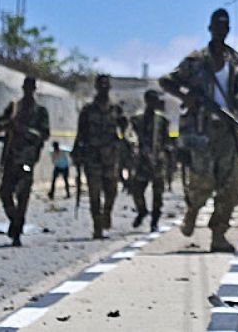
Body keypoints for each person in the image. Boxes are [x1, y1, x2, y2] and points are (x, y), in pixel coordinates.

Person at [160, 8, 238, 253]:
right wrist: (186, 97)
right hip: (201, 131)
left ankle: (219, 235)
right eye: (217, 25)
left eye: (225, 26)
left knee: (229, 185)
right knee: (202, 182)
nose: (221, 30)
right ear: (210, 28)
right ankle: (192, 211)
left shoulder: (235, 61)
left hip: (227, 131)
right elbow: (166, 81)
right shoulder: (195, 61)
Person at [0, 75, 49, 247]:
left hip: (27, 159)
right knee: (5, 193)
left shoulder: (40, 112)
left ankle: (16, 231)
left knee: (23, 195)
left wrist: (25, 131)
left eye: (31, 88)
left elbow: (44, 134)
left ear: (34, 90)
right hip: (10, 158)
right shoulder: (14, 108)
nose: (28, 91)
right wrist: (10, 123)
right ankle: (15, 221)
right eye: (26, 88)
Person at [74, 74, 123, 239]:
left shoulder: (116, 109)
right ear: (96, 87)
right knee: (94, 194)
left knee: (112, 191)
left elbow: (124, 131)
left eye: (106, 85)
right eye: (101, 84)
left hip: (111, 157)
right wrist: (77, 153)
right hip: (92, 157)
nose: (104, 87)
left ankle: (107, 212)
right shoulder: (88, 110)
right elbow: (80, 133)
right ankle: (97, 226)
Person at [130, 90, 173, 231]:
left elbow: (167, 140)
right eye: (151, 100)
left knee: (158, 194)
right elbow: (130, 136)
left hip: (157, 162)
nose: (153, 103)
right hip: (142, 161)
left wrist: (163, 153)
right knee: (137, 190)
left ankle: (154, 220)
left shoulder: (162, 120)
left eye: (155, 100)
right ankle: (142, 211)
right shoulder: (137, 119)